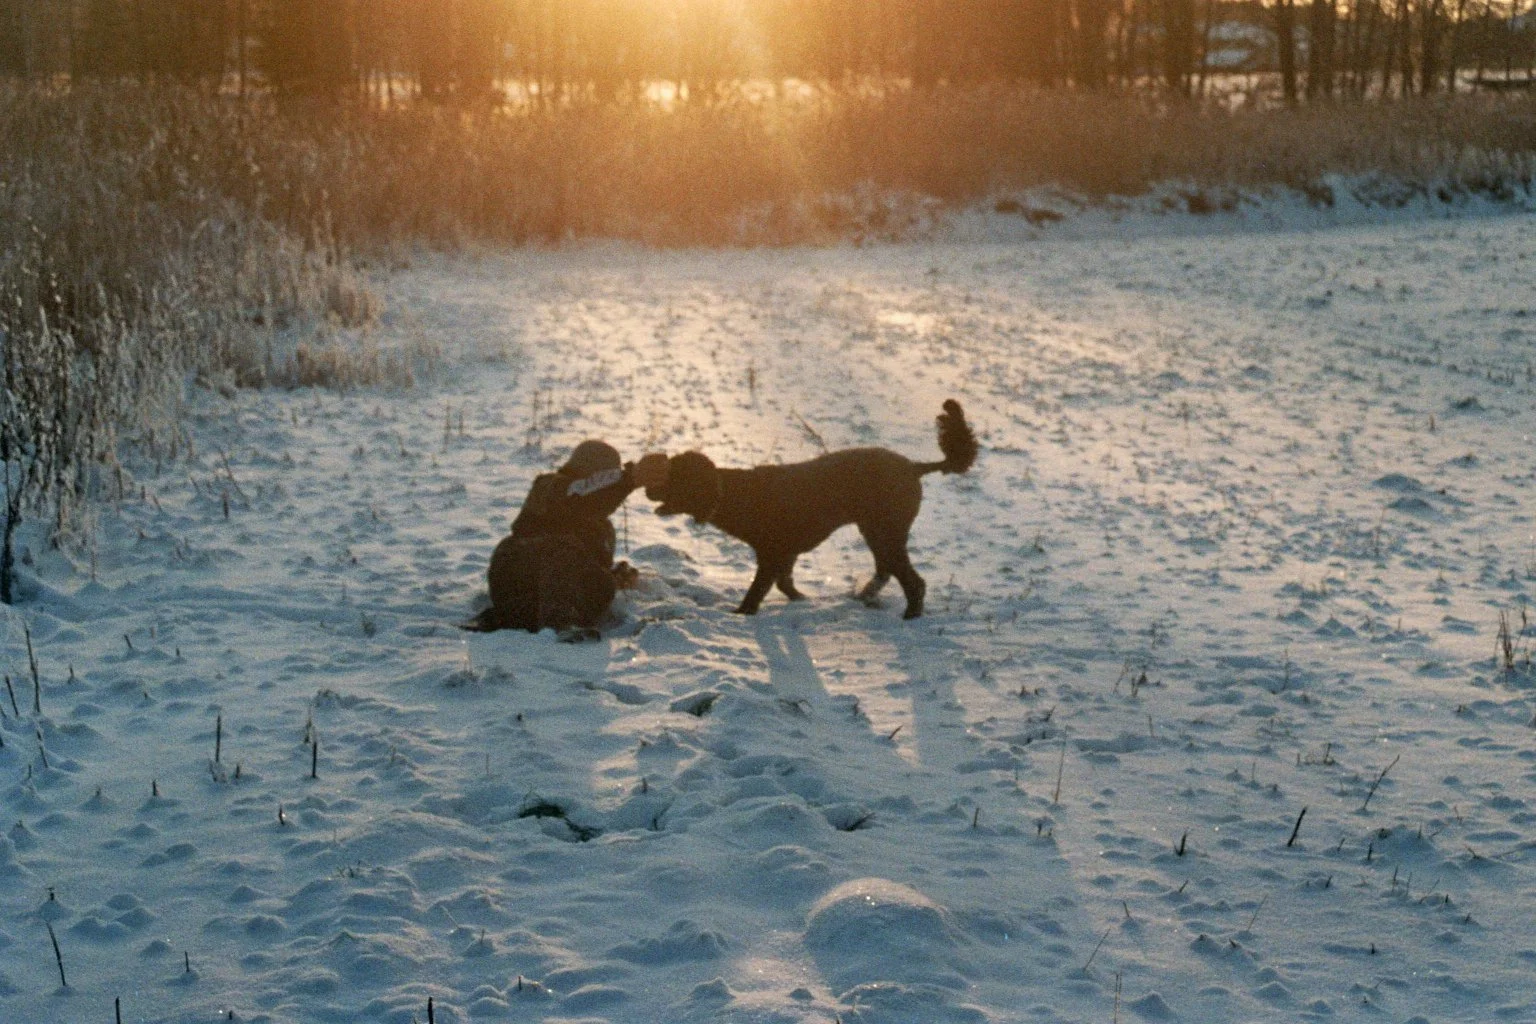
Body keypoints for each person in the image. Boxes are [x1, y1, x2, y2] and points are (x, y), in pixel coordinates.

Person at [465, 441, 668, 635]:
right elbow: (579, 493)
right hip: (522, 585)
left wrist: (616, 579)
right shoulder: (550, 486)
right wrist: (629, 478)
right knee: (542, 551)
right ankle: (559, 624)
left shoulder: (600, 526)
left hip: (564, 597)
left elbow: (594, 571)